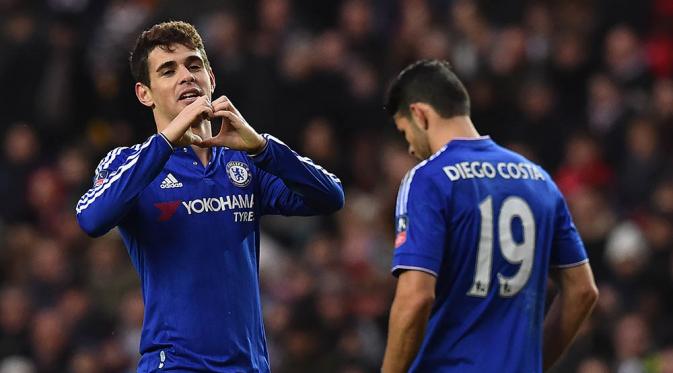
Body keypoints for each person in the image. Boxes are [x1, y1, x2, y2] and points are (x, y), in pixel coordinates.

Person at [75, 21, 344, 372]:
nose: (186, 76)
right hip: (175, 365)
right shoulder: (129, 163)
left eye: (194, 65)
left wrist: (263, 147)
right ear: (145, 94)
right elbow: (91, 218)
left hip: (249, 365)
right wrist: (167, 142)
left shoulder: (247, 162)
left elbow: (330, 197)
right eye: (168, 70)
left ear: (211, 79)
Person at [380, 60, 599, 373]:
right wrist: (532, 364)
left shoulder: (428, 179)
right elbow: (582, 290)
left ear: (419, 114)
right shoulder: (538, 180)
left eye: (405, 134)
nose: (412, 149)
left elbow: (415, 298)